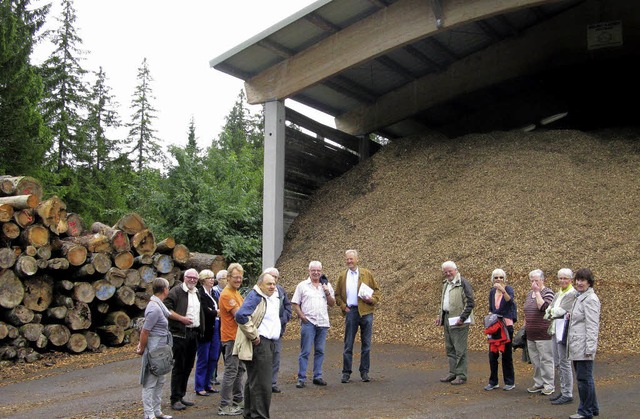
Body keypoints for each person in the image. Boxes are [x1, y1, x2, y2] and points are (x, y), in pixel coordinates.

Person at [136, 278, 192, 419]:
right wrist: (141, 348)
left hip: (162, 347)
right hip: (154, 348)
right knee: (150, 381)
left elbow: (169, 313)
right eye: (168, 288)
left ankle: (157, 411)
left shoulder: (158, 303)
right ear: (165, 290)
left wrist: (183, 319)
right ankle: (148, 414)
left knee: (160, 380)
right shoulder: (153, 308)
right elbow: (145, 331)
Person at [234, 272, 281, 418]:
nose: (272, 286)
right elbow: (241, 315)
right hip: (261, 344)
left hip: (269, 342)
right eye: (269, 284)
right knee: (263, 385)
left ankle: (249, 414)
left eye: (274, 283)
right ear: (260, 284)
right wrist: (253, 335)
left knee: (254, 381)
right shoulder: (256, 296)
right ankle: (260, 416)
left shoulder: (271, 296)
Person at [335, 249, 380, 383]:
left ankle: (364, 372)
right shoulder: (343, 276)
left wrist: (372, 300)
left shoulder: (367, 274)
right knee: (348, 343)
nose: (349, 261)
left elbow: (377, 291)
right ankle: (346, 372)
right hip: (351, 312)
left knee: (366, 344)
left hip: (366, 312)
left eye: (351, 259)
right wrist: (344, 307)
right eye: (347, 259)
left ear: (357, 260)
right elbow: (337, 295)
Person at [164, 268, 204, 411]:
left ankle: (181, 395)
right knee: (179, 367)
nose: (192, 280)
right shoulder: (176, 292)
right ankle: (175, 399)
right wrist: (181, 319)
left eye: (195, 278)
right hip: (180, 334)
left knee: (188, 366)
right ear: (184, 277)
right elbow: (166, 310)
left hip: (193, 333)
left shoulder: (196, 292)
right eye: (190, 277)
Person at [291, 260, 335, 388]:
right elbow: (295, 303)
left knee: (320, 351)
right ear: (309, 271)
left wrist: (326, 291)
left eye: (318, 271)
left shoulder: (326, 285)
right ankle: (301, 378)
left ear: (321, 272)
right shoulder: (302, 285)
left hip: (322, 323)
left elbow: (332, 303)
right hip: (308, 323)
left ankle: (318, 376)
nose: (316, 273)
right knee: (305, 351)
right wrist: (302, 316)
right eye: (313, 270)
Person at [567, 268, 601, 419]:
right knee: (586, 378)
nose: (579, 283)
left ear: (589, 282)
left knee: (583, 379)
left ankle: (585, 411)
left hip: (583, 346)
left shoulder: (591, 299)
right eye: (578, 280)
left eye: (583, 280)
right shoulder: (579, 297)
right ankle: (592, 408)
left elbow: (593, 326)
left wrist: (590, 348)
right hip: (577, 344)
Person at [435, 261, 475, 385]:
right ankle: (453, 373)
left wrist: (462, 318)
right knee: (450, 348)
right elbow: (443, 301)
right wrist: (439, 315)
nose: (448, 274)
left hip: (459, 321)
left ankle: (461, 375)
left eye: (450, 271)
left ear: (456, 270)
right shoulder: (446, 284)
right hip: (447, 318)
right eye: (445, 272)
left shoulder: (463, 282)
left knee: (460, 349)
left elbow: (470, 302)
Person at [544, 268, 577, 405]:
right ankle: (563, 390)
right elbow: (549, 310)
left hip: (564, 332)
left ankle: (567, 393)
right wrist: (552, 312)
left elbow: (560, 311)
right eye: (560, 278)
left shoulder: (572, 294)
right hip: (555, 330)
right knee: (557, 362)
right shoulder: (558, 294)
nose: (562, 281)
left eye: (565, 278)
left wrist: (552, 312)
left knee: (564, 363)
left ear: (571, 280)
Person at [217, 263, 246, 416]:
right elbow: (240, 315)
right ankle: (224, 405)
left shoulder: (236, 293)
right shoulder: (227, 294)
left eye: (240, 277)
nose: (238, 280)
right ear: (228, 278)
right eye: (235, 277)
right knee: (231, 371)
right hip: (231, 338)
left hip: (239, 338)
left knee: (240, 370)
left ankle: (237, 399)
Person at [524, 269, 555, 396]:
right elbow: (526, 311)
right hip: (531, 333)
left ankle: (549, 384)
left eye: (536, 280)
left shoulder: (548, 292)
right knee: (535, 360)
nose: (534, 283)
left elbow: (544, 308)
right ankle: (538, 383)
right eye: (532, 281)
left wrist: (537, 292)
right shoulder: (529, 294)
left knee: (546, 359)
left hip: (544, 333)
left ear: (542, 280)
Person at [485, 268, 517, 391]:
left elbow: (510, 302)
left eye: (501, 277)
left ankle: (509, 381)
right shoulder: (492, 292)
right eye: (496, 277)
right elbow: (491, 308)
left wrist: (503, 291)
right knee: (492, 354)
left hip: (506, 325)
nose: (498, 279)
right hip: (494, 326)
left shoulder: (508, 289)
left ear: (504, 279)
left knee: (506, 354)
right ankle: (493, 381)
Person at [263, 267, 292, 394]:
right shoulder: (260, 291)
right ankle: (263, 383)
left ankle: (273, 383)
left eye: (276, 278)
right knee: (263, 358)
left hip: (277, 331)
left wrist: (282, 319)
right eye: (271, 277)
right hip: (264, 332)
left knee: (276, 357)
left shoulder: (281, 291)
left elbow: (288, 307)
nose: (274, 280)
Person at [194, 269, 221, 396]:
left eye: (212, 278)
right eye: (209, 278)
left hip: (215, 326)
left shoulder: (214, 294)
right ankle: (199, 386)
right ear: (203, 280)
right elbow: (205, 311)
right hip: (205, 329)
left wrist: (214, 311)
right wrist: (215, 312)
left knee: (214, 357)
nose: (212, 280)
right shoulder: (200, 294)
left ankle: (208, 383)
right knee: (203, 358)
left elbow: (212, 309)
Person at [211, 269, 228, 387]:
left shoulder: (232, 291)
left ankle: (229, 376)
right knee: (215, 353)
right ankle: (212, 377)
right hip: (217, 325)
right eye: (225, 278)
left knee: (228, 353)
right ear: (219, 280)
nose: (228, 280)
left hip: (227, 326)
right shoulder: (215, 292)